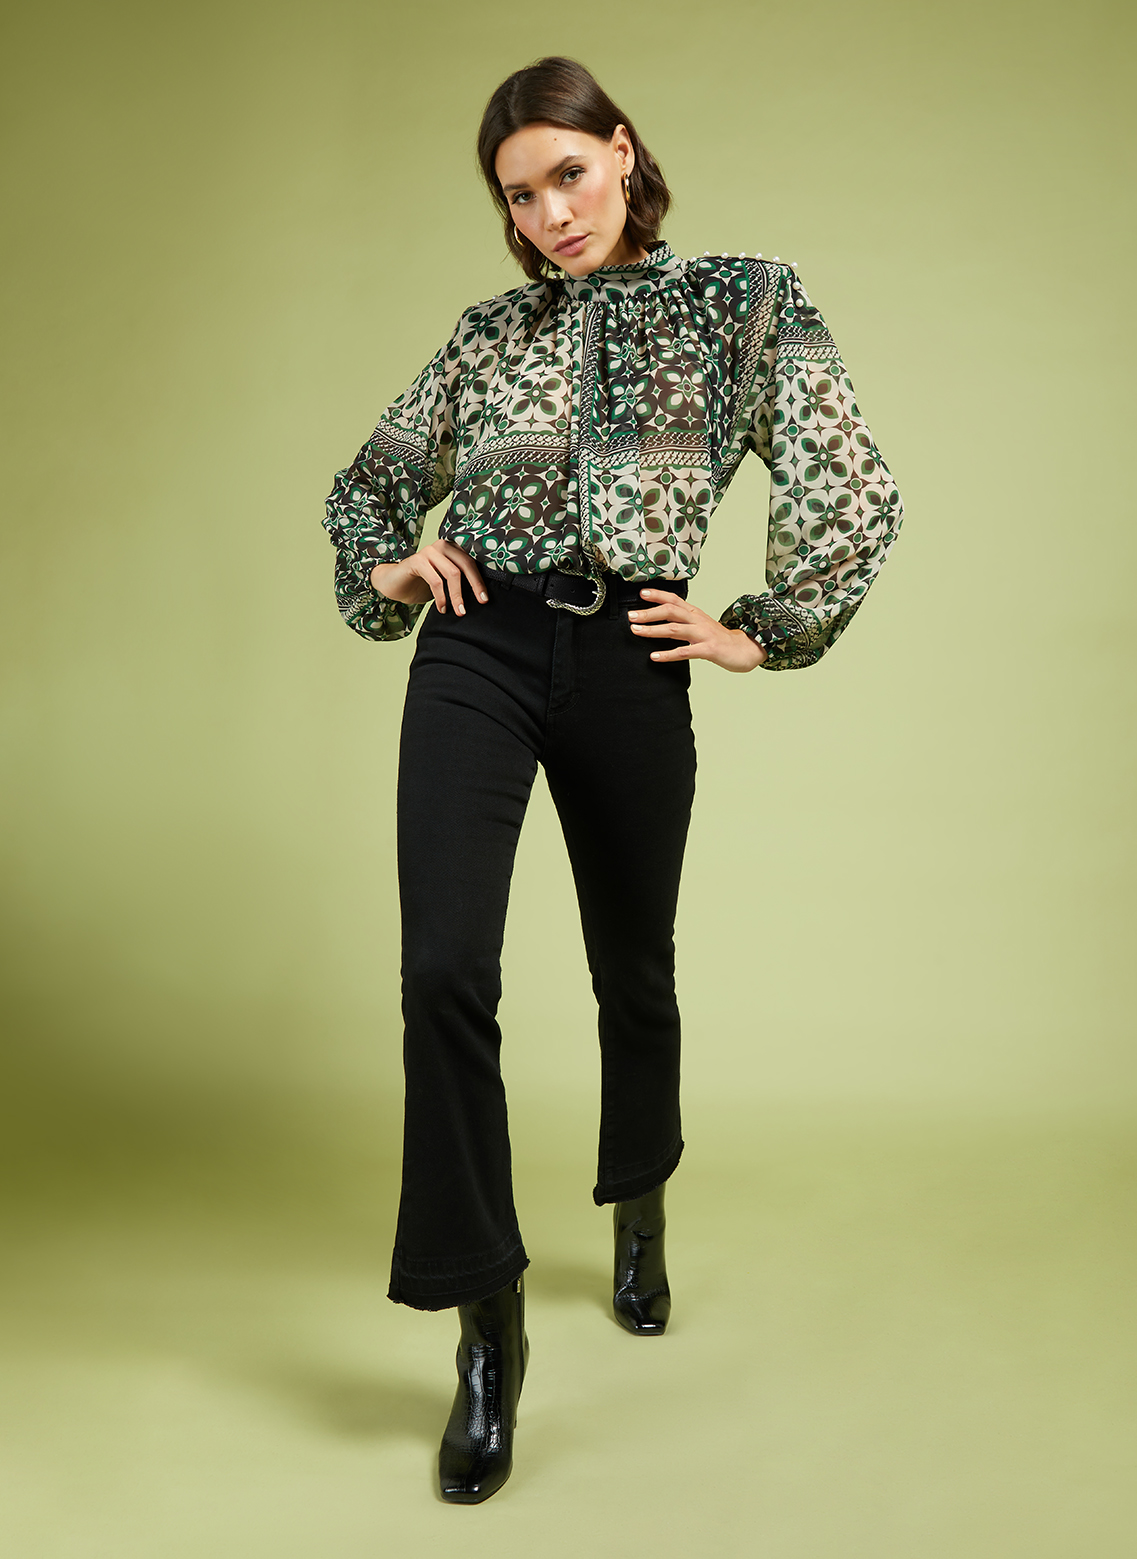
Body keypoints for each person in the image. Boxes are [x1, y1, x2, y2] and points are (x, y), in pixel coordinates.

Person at [323, 55, 903, 1504]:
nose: (549, 216)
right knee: (443, 970)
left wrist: (762, 626)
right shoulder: (486, 334)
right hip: (476, 647)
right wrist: (389, 565)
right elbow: (370, 487)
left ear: (622, 153)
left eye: (566, 176)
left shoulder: (739, 303)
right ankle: (486, 1327)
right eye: (519, 197)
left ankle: (638, 1202)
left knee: (632, 968)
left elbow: (850, 481)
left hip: (630, 656)